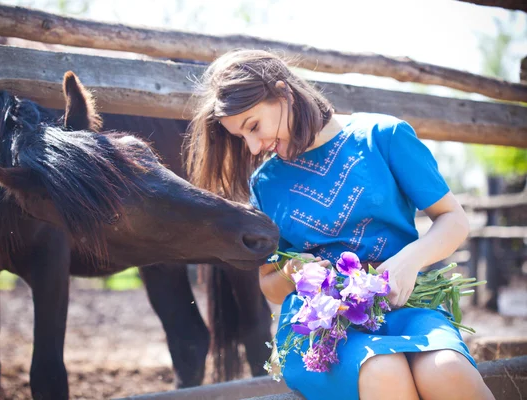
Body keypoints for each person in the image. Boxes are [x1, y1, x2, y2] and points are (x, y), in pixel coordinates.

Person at [184, 49, 494, 400]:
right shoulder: (265, 184)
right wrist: (293, 273)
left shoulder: (383, 135)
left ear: (283, 92)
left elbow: (453, 219)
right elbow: (268, 285)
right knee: (383, 372)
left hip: (407, 305)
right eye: (243, 138)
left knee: (449, 372)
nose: (254, 147)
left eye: (253, 126)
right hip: (323, 326)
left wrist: (410, 261)